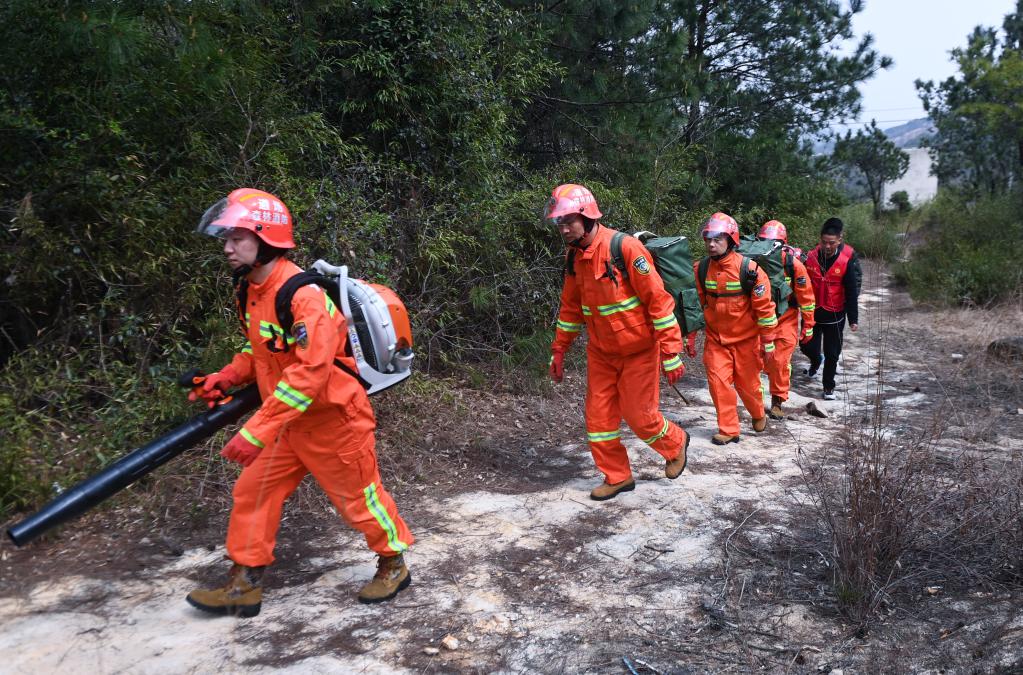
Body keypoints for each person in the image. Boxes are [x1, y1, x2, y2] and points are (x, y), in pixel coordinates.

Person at [186, 188, 414, 617]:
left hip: (334, 422)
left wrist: (256, 430)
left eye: (237, 237)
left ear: (264, 238)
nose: (228, 246)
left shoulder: (303, 296)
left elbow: (309, 374)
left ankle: (393, 562)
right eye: (226, 238)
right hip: (288, 425)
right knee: (252, 493)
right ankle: (244, 583)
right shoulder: (251, 291)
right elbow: (262, 352)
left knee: (361, 502)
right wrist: (225, 377)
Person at [547, 184, 692, 502]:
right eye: (560, 221)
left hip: (639, 351)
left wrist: (671, 351)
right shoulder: (573, 257)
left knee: (640, 416)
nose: (564, 228)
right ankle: (618, 476)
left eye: (569, 220)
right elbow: (571, 309)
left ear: (586, 217)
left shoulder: (624, 249)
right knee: (598, 420)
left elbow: (658, 301)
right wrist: (559, 349)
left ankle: (675, 443)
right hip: (601, 353)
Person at [694, 213, 778, 444]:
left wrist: (768, 341)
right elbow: (696, 306)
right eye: (708, 239)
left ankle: (758, 412)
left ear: (731, 240)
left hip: (746, 341)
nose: (711, 244)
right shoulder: (700, 269)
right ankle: (729, 429)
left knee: (748, 387)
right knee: (717, 383)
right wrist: (690, 336)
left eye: (717, 239)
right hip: (716, 340)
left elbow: (765, 309)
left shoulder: (750, 271)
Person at [756, 220, 816, 419]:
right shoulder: (752, 262)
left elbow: (806, 297)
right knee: (754, 360)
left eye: (773, 242)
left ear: (782, 244)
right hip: (758, 320)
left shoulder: (793, 265)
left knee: (780, 362)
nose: (769, 247)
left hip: (786, 319)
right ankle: (754, 403)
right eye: (764, 242)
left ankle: (777, 402)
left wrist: (808, 324)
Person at [800, 217, 862, 400]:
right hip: (812, 312)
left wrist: (853, 319)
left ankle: (828, 387)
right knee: (806, 346)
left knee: (832, 353)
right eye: (824, 242)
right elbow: (800, 283)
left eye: (832, 243)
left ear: (839, 240)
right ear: (820, 239)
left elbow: (852, 290)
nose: (827, 246)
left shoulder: (846, 261)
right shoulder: (810, 258)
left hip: (834, 314)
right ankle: (816, 360)